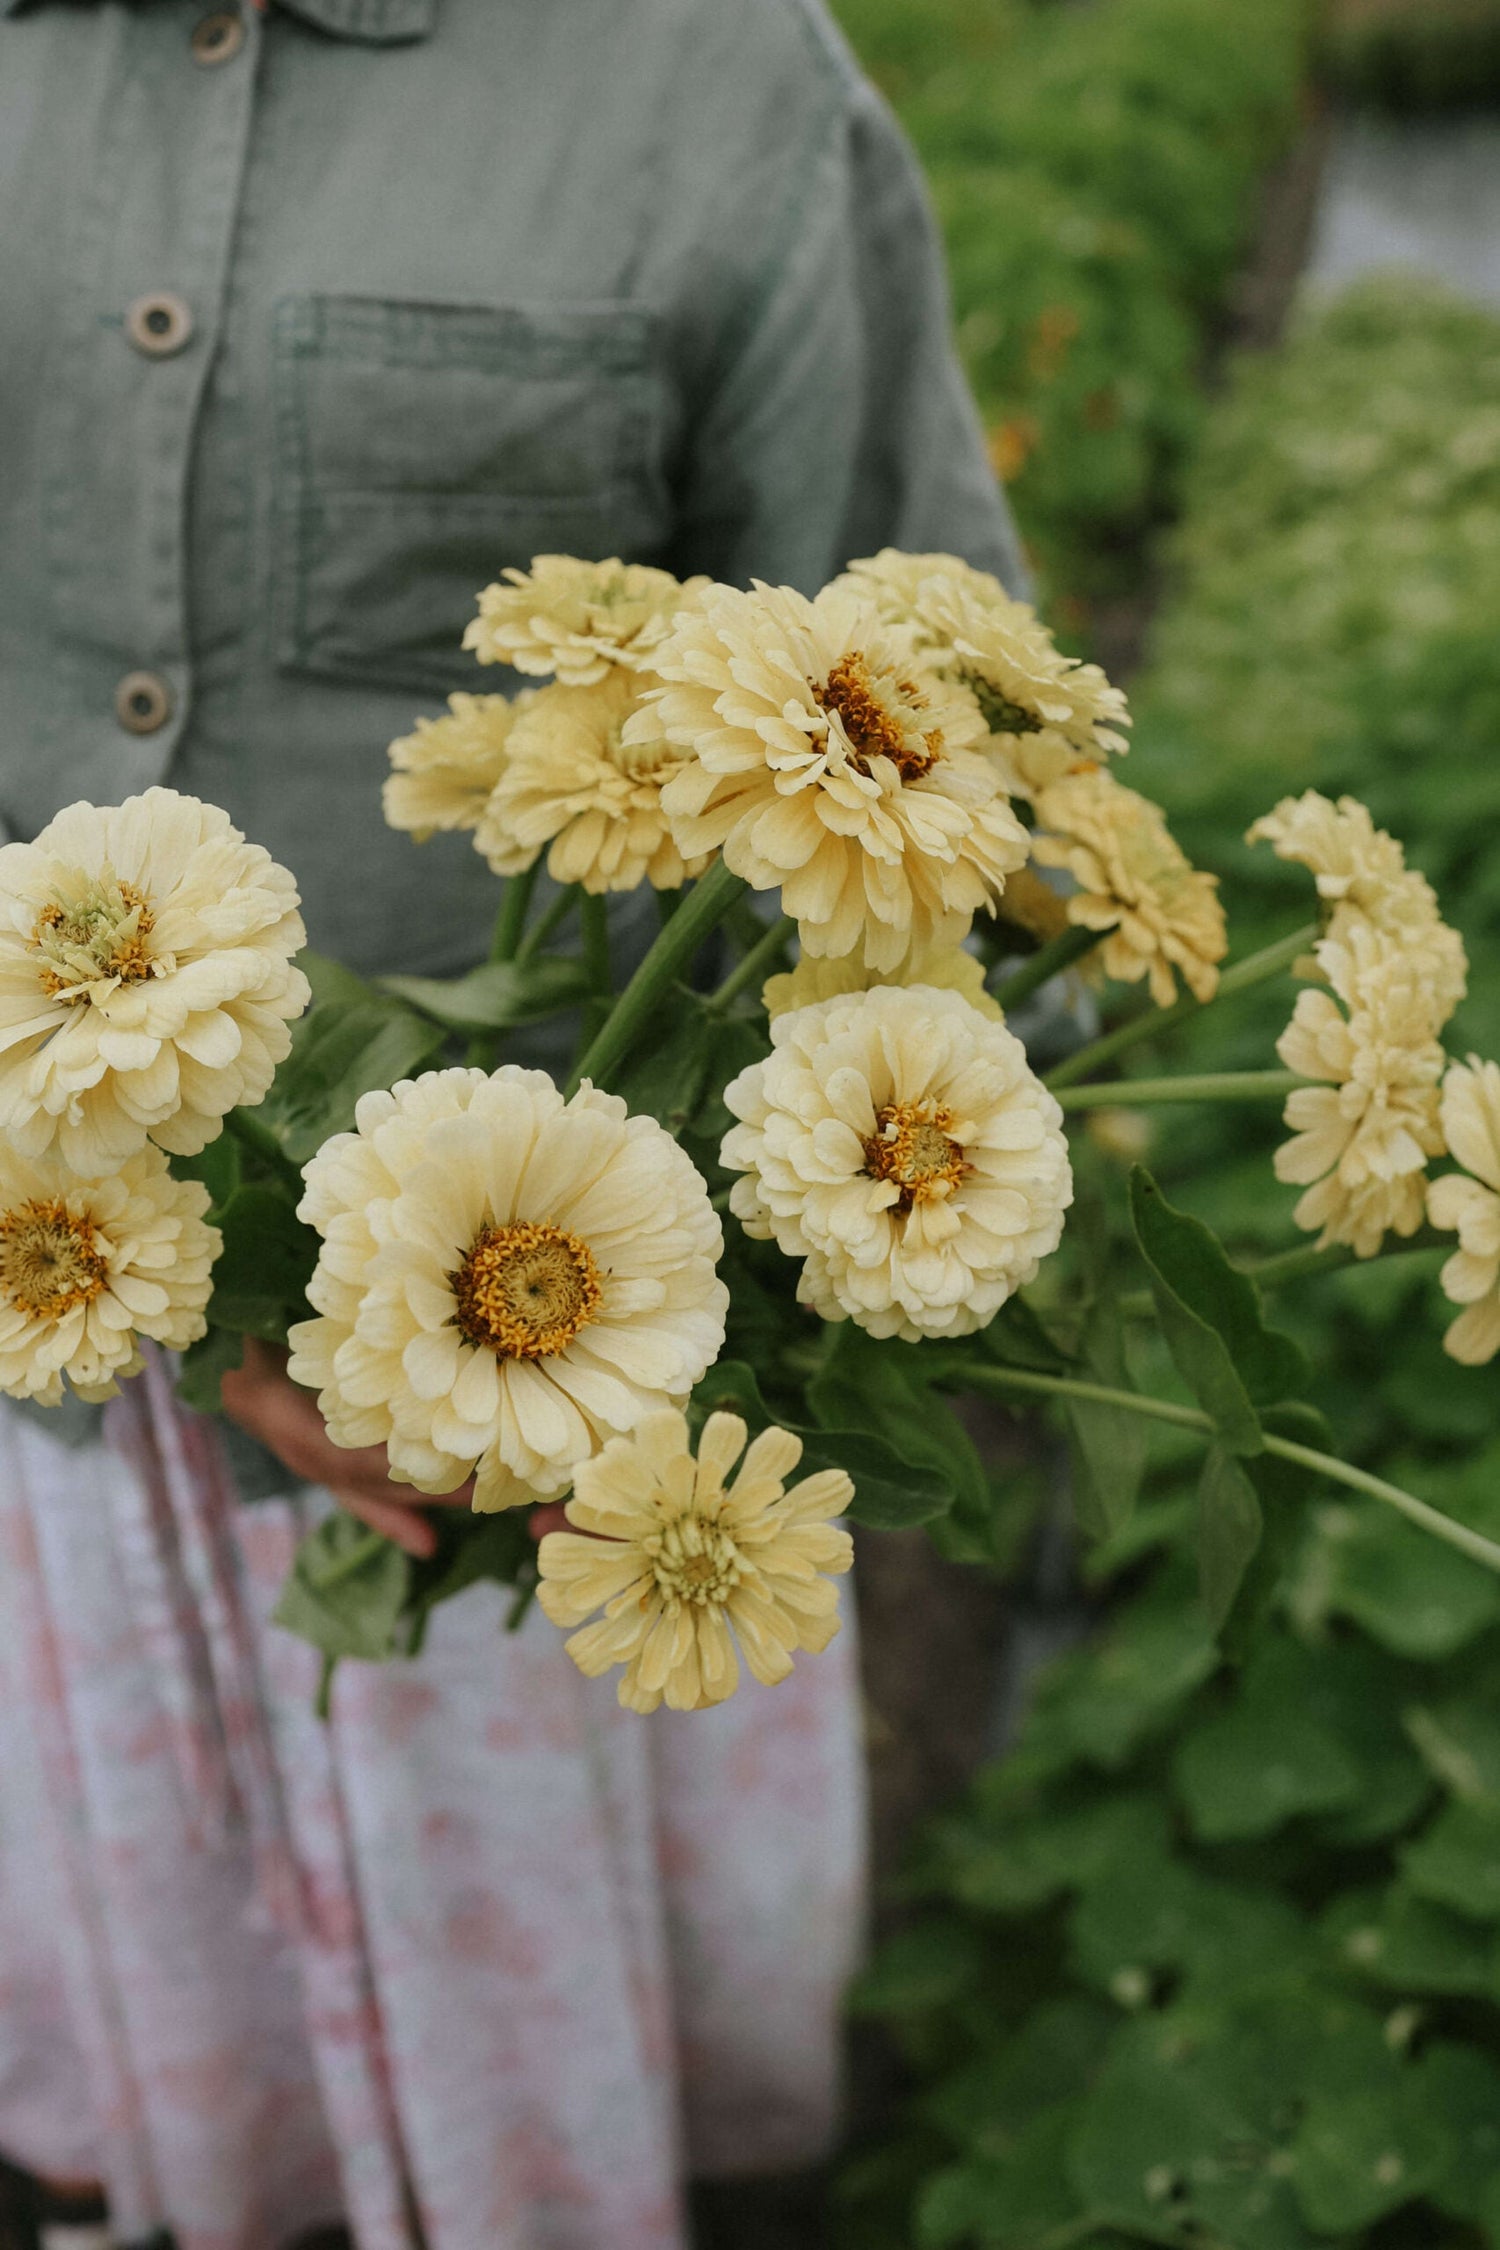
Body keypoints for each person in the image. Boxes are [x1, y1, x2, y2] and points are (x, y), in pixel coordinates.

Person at [0, 2, 1026, 2245]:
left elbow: (949, 779)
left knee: (556, 2115)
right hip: (47, 1362)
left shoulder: (717, 78)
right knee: (157, 2092)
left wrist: (621, 1321)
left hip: (548, 1445)